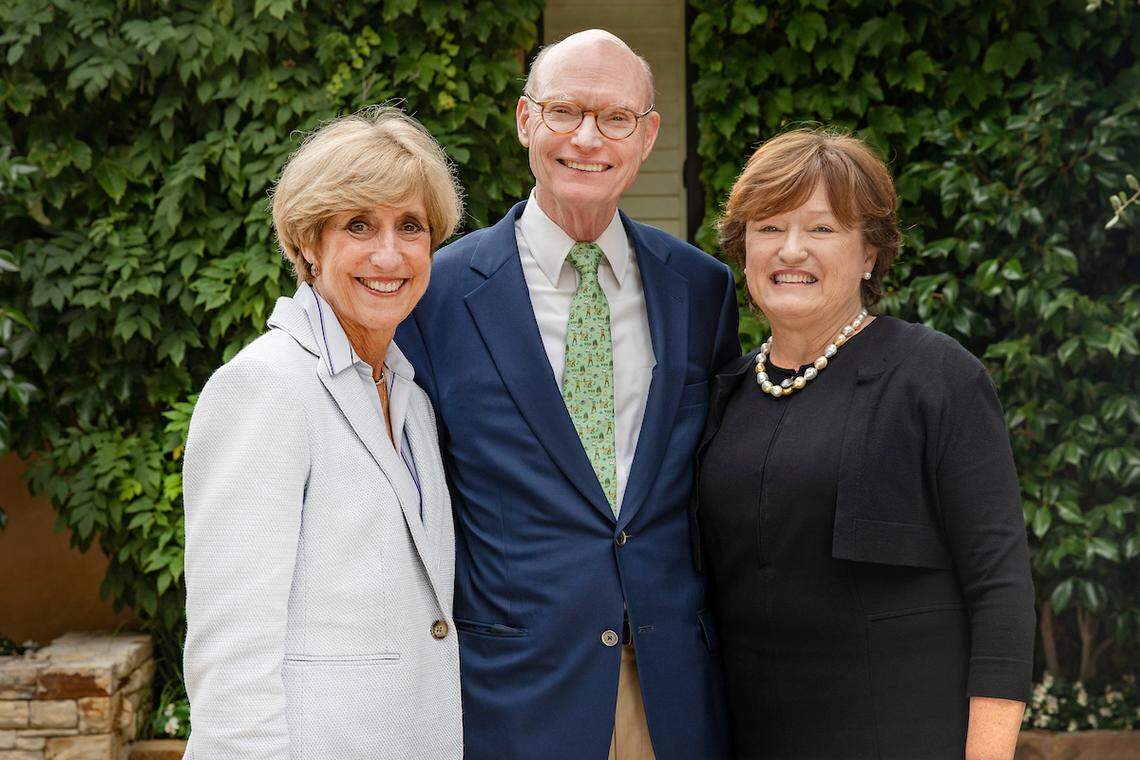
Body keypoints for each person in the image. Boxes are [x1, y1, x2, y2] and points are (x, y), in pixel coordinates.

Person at [396, 29, 738, 760]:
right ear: (525, 121)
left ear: (647, 136)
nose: (588, 138)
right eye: (564, 112)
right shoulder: (437, 294)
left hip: (673, 697)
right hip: (514, 697)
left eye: (615, 117)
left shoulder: (702, 289)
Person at [694, 128, 1036, 759]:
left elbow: (1001, 589)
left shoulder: (935, 377)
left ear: (870, 253)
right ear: (743, 251)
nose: (790, 249)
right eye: (768, 228)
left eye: (822, 230)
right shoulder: (725, 395)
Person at [181, 106, 464, 759]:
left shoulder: (411, 398)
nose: (389, 254)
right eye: (359, 224)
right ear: (308, 242)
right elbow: (232, 660)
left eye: (411, 227)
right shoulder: (266, 388)